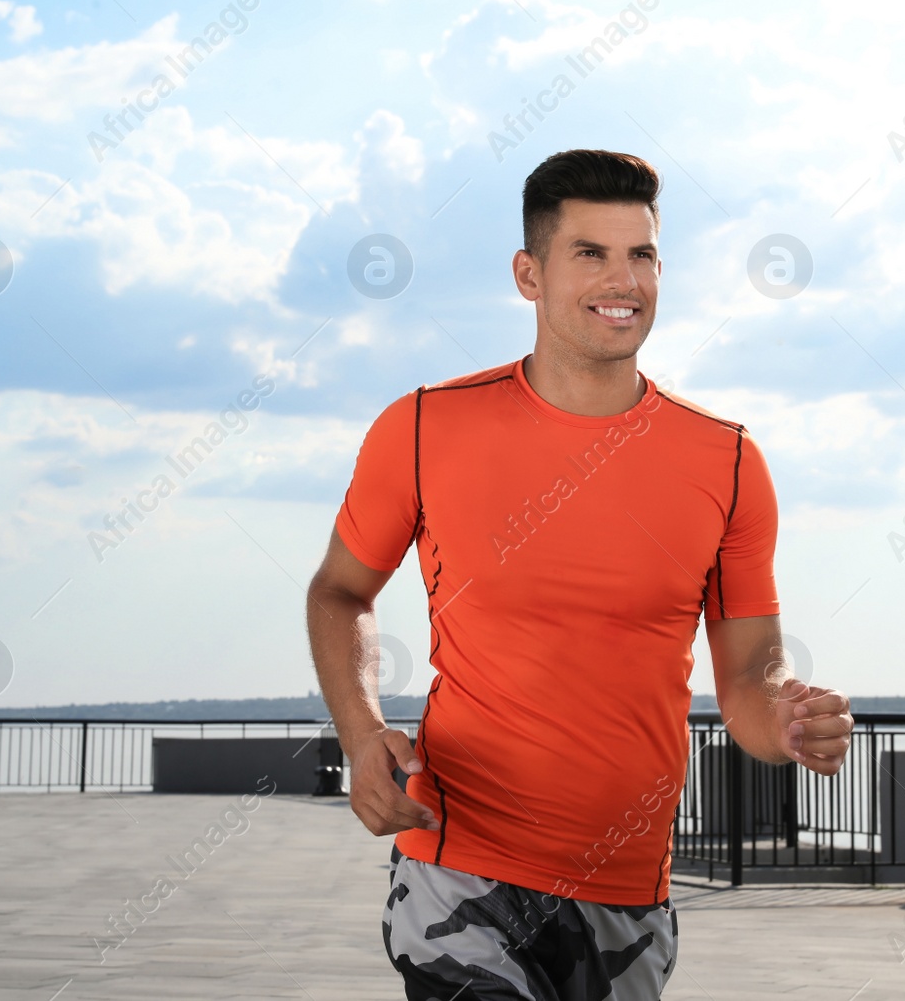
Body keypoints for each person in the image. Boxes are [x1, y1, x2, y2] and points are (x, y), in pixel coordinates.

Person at [306, 149, 853, 1000]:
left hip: (628, 895)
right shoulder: (422, 429)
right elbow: (340, 590)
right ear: (529, 274)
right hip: (459, 869)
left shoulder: (728, 461)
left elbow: (749, 671)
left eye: (642, 255)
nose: (623, 280)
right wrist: (361, 730)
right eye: (590, 253)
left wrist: (783, 716)